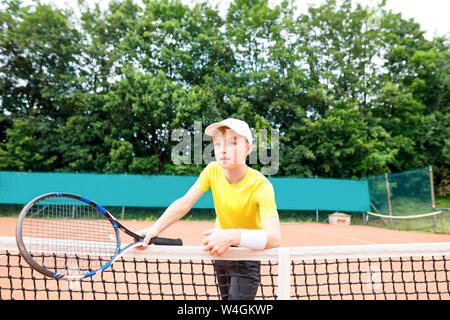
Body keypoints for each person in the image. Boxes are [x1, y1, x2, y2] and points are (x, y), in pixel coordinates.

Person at [137, 118, 281, 300]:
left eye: (233, 142)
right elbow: (184, 203)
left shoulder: (261, 185)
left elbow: (274, 237)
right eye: (218, 143)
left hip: (246, 257)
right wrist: (154, 229)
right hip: (221, 254)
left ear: (248, 149)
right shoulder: (212, 171)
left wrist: (233, 236)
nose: (223, 149)